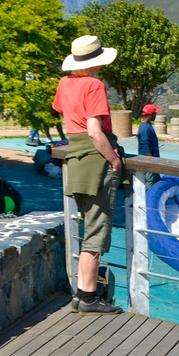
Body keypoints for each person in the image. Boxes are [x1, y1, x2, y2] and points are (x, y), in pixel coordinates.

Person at [53, 35, 123, 314]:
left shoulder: (65, 82)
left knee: (87, 226)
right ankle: (91, 298)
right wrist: (114, 159)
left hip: (75, 159)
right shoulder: (94, 85)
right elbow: (94, 131)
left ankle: (81, 294)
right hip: (96, 161)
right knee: (96, 231)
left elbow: (66, 115)